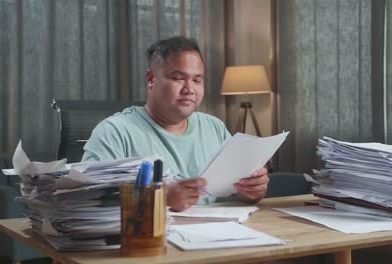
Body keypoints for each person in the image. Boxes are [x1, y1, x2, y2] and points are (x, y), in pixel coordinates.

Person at [82, 36, 269, 211]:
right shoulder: (114, 132)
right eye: (178, 78)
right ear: (151, 79)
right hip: (150, 240)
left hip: (215, 237)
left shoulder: (214, 127)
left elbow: (238, 191)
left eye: (197, 80)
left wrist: (251, 191)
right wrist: (160, 199)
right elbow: (86, 200)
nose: (189, 89)